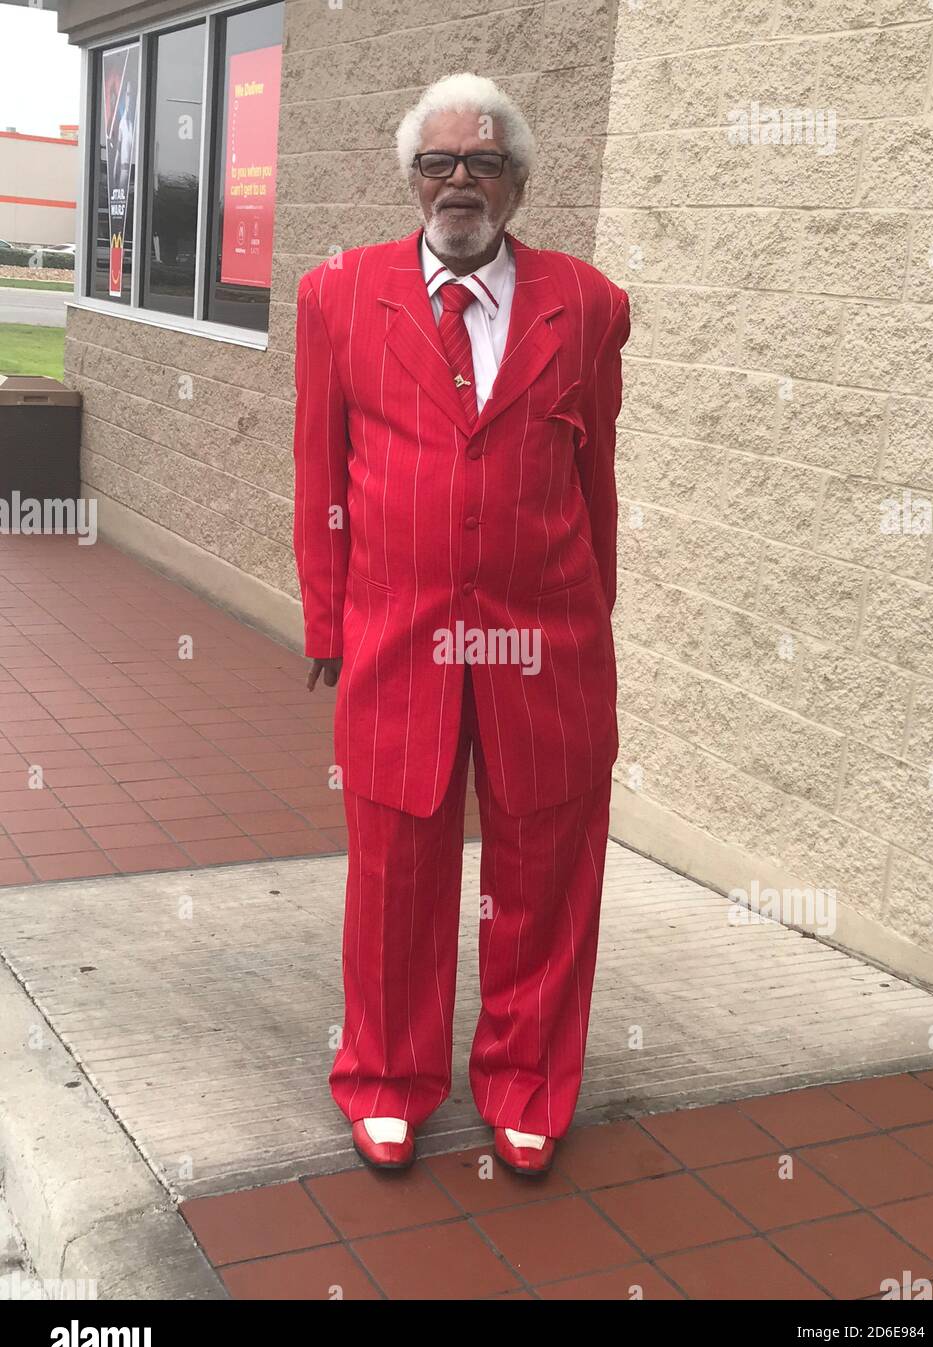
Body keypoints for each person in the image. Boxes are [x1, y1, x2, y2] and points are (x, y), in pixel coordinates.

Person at [293, 71, 629, 1178]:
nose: (459, 182)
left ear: (520, 181)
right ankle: (387, 1077)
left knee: (545, 870)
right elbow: (317, 473)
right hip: (400, 643)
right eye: (439, 163)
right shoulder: (339, 295)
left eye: (482, 162)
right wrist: (326, 617)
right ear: (411, 179)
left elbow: (598, 483)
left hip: (549, 647)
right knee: (395, 871)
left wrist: (596, 620)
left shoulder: (587, 304)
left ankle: (528, 1082)